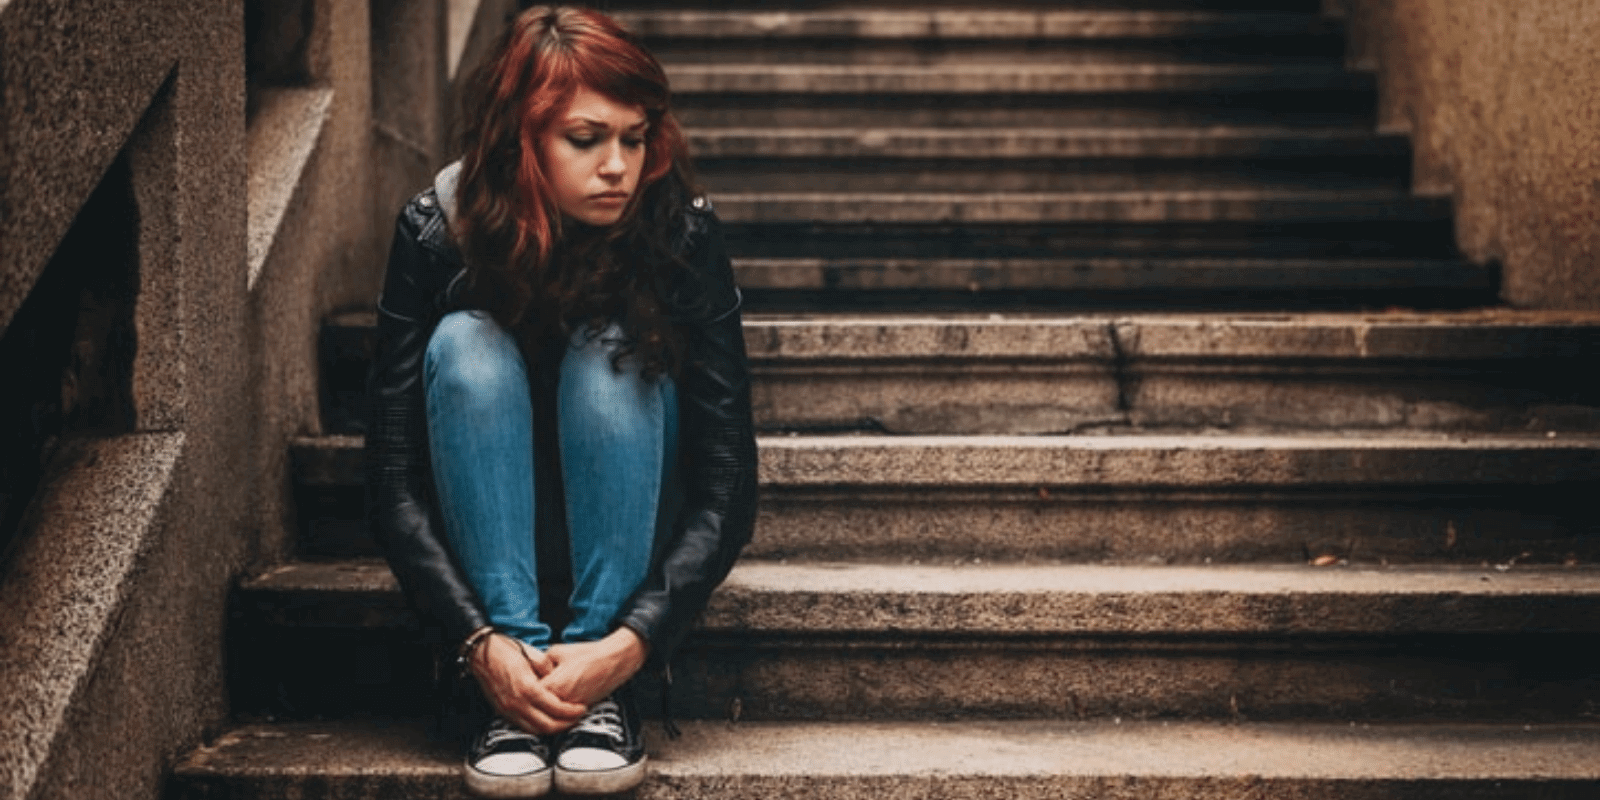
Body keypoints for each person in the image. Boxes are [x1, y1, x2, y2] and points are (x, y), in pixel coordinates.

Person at [364, 6, 758, 797]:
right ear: (522, 140)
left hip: (625, 558)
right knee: (466, 344)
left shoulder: (681, 232)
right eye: (586, 139)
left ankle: (595, 694)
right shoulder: (435, 233)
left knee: (609, 351)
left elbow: (725, 485)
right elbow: (394, 477)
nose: (618, 165)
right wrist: (478, 641)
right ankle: (512, 690)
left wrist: (633, 641)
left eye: (635, 138)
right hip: (489, 559)